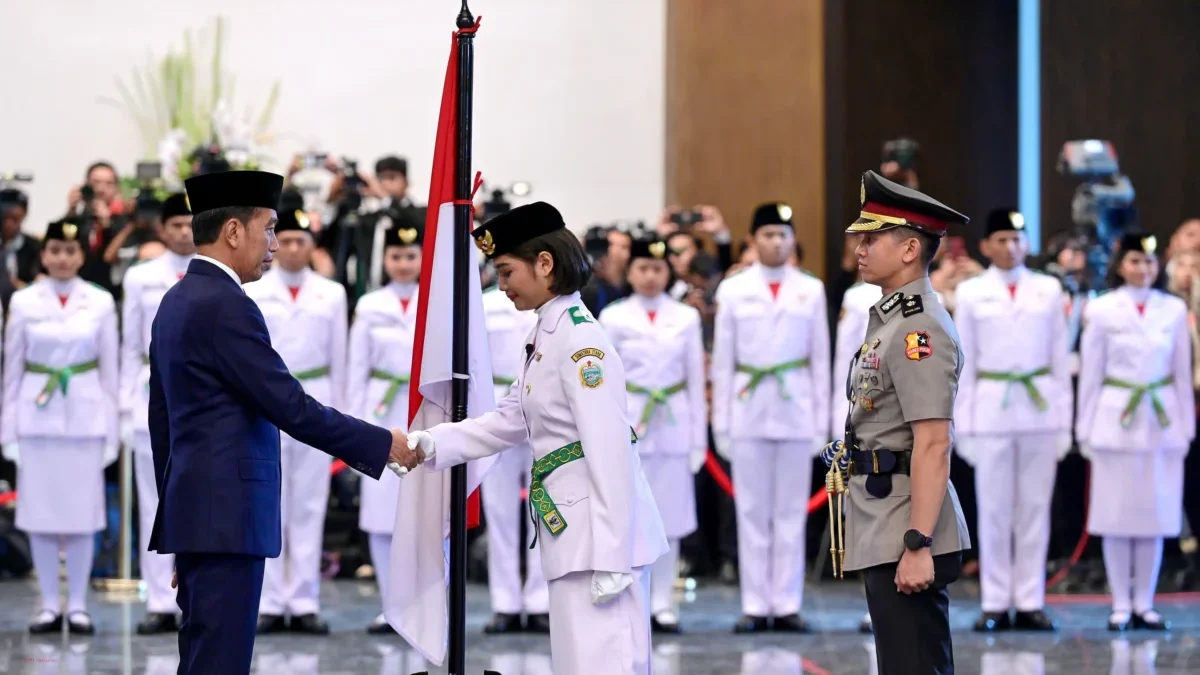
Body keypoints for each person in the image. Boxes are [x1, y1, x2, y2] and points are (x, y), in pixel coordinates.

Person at [147, 171, 420, 674]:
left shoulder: (178, 298)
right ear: (234, 231)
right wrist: (382, 443)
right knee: (221, 660)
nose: (274, 243)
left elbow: (162, 421)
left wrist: (181, 529)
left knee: (205, 655)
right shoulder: (227, 306)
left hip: (202, 519)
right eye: (269, 228)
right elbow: (289, 405)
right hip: (227, 517)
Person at [403, 201, 668, 675]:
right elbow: (509, 419)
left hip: (598, 545)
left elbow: (609, 448)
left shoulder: (580, 342)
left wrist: (613, 555)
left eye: (507, 272)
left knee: (604, 663)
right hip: (574, 538)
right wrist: (431, 442)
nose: (501, 286)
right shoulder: (548, 333)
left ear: (545, 263)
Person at [826, 170, 971, 674]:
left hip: (906, 523)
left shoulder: (918, 330)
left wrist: (918, 544)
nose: (859, 248)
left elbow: (933, 444)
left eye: (872, 237)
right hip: (884, 515)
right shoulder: (892, 318)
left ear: (910, 249)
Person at [711, 202, 830, 633]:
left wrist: (823, 422)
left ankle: (786, 603)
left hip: (796, 408)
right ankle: (755, 604)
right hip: (747, 409)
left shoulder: (810, 290)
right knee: (752, 512)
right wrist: (721, 422)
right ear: (752, 240)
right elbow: (722, 362)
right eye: (767, 234)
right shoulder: (734, 290)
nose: (776, 241)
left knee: (790, 514)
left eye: (783, 234)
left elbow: (821, 360)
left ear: (793, 240)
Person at [953, 209, 1072, 632]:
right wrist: (962, 425)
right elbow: (962, 362)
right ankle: (995, 600)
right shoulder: (971, 292)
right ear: (985, 246)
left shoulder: (1049, 290)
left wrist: (1064, 423)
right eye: (1001, 240)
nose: (1010, 247)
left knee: (1034, 510)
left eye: (1018, 239)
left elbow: (1060, 359)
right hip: (990, 409)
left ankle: (1030, 599)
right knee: (995, 509)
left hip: (1039, 409)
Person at [2, 217, 118, 635]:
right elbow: (12, 370)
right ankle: (49, 604)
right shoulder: (25, 302)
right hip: (37, 416)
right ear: (44, 255)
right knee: (40, 515)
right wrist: (8, 429)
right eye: (55, 251)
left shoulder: (100, 302)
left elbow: (110, 368)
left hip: (85, 418)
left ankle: (80, 605)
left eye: (71, 251)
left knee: (83, 515)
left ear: (81, 256)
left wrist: (112, 430)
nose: (63, 259)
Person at [1076, 232, 1194, 631]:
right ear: (1120, 266)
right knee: (1115, 516)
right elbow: (1091, 374)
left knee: (1154, 516)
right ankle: (1120, 603)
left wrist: (1185, 428)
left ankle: (1145, 602)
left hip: (1161, 422)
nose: (1143, 269)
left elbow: (1180, 374)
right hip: (1115, 419)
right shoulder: (1102, 309)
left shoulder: (1174, 310)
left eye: (1148, 262)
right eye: (1134, 261)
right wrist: (1085, 429)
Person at [245, 197, 348, 635]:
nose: (289, 248)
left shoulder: (332, 292)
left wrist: (343, 415)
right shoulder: (253, 289)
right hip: (267, 401)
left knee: (308, 504)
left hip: (315, 396)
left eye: (298, 240)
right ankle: (270, 602)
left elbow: (341, 359)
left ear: (311, 245)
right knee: (267, 501)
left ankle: (303, 600)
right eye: (282, 239)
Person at [598, 234, 707, 633]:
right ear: (629, 272)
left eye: (658, 268)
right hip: (629, 422)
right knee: (628, 517)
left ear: (669, 272)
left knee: (671, 519)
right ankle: (633, 602)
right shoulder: (613, 316)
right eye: (642, 268)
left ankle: (663, 603)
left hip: (673, 421)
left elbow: (695, 379)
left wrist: (699, 439)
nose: (649, 276)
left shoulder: (685, 317)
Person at [119, 193, 196, 635]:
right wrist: (128, 406)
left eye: (190, 224)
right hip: (153, 392)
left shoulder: (213, 274)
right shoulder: (141, 278)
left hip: (199, 397)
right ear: (162, 229)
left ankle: (193, 596)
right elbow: (131, 348)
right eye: (176, 225)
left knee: (197, 497)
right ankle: (161, 603)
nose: (184, 232)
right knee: (154, 500)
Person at [348, 219, 423, 634]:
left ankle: (424, 608)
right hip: (379, 411)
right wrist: (354, 424)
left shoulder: (437, 300)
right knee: (379, 514)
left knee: (427, 513)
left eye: (411, 255)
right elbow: (357, 368)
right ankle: (389, 605)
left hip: (424, 411)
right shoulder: (371, 304)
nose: (403, 263)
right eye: (395, 255)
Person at [480, 277, 550, 634]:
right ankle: (505, 602)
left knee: (545, 509)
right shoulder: (485, 302)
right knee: (500, 511)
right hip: (497, 405)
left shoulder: (551, 302)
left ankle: (540, 600)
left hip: (544, 409)